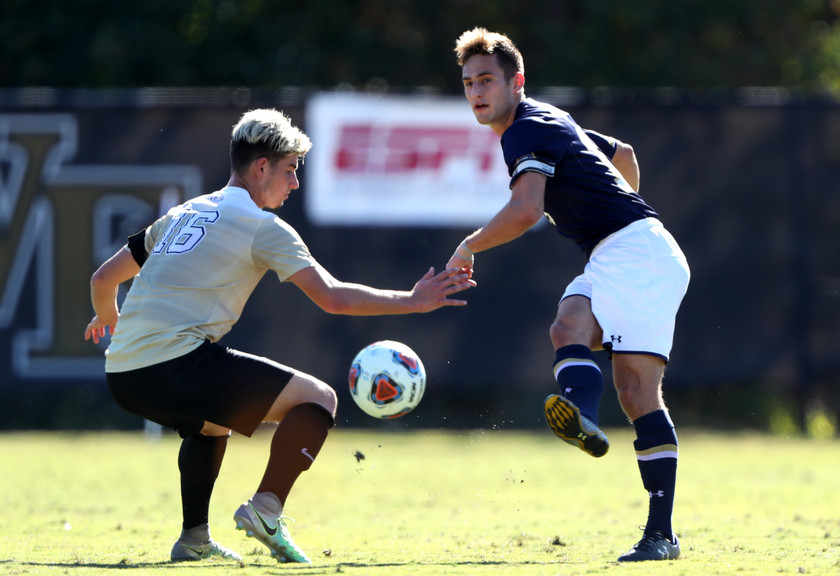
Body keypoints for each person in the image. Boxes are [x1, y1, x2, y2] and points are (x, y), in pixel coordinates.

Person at [84, 109, 474, 564]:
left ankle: (194, 540)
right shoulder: (260, 226)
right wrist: (413, 300)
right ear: (261, 167)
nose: (294, 182)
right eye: (289, 170)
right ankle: (266, 510)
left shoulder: (182, 213)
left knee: (212, 422)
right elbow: (333, 298)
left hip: (123, 374)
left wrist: (108, 318)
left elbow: (102, 279)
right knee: (319, 400)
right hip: (174, 364)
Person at [447, 28, 690, 562]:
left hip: (638, 254)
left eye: (487, 80)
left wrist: (468, 246)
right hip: (622, 251)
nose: (477, 92)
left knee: (637, 392)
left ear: (517, 82)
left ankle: (661, 535)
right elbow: (623, 154)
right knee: (568, 327)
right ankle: (581, 411)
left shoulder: (525, 128)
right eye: (468, 83)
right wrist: (623, 213)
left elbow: (526, 210)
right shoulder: (547, 119)